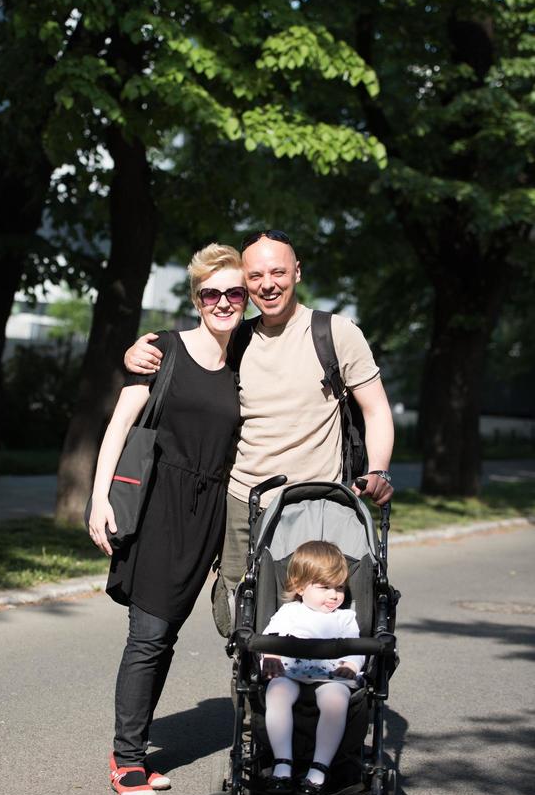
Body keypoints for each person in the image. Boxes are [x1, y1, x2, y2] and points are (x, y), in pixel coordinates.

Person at [124, 230, 394, 600]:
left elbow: (376, 408)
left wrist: (377, 470)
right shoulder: (236, 338)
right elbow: (189, 354)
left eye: (278, 273)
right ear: (245, 283)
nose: (268, 285)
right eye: (255, 276)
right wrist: (138, 354)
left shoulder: (335, 333)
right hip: (241, 503)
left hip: (315, 505)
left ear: (297, 272)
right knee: (240, 616)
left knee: (313, 614)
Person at [87, 243, 246, 795]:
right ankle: (127, 759)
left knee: (167, 633)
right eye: (212, 293)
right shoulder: (163, 350)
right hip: (159, 503)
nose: (223, 302)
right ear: (196, 298)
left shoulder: (246, 357)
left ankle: (133, 749)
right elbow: (120, 424)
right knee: (148, 633)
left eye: (234, 292)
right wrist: (99, 497)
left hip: (210, 509)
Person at [260, 540, 364, 795]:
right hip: (290, 672)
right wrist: (270, 655)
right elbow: (269, 637)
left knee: (336, 701)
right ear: (299, 587)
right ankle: (282, 763)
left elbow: (357, 647)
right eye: (325, 588)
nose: (334, 595)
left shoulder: (344, 617)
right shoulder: (289, 612)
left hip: (331, 675)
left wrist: (351, 663)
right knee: (277, 693)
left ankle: (319, 767)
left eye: (339, 587)